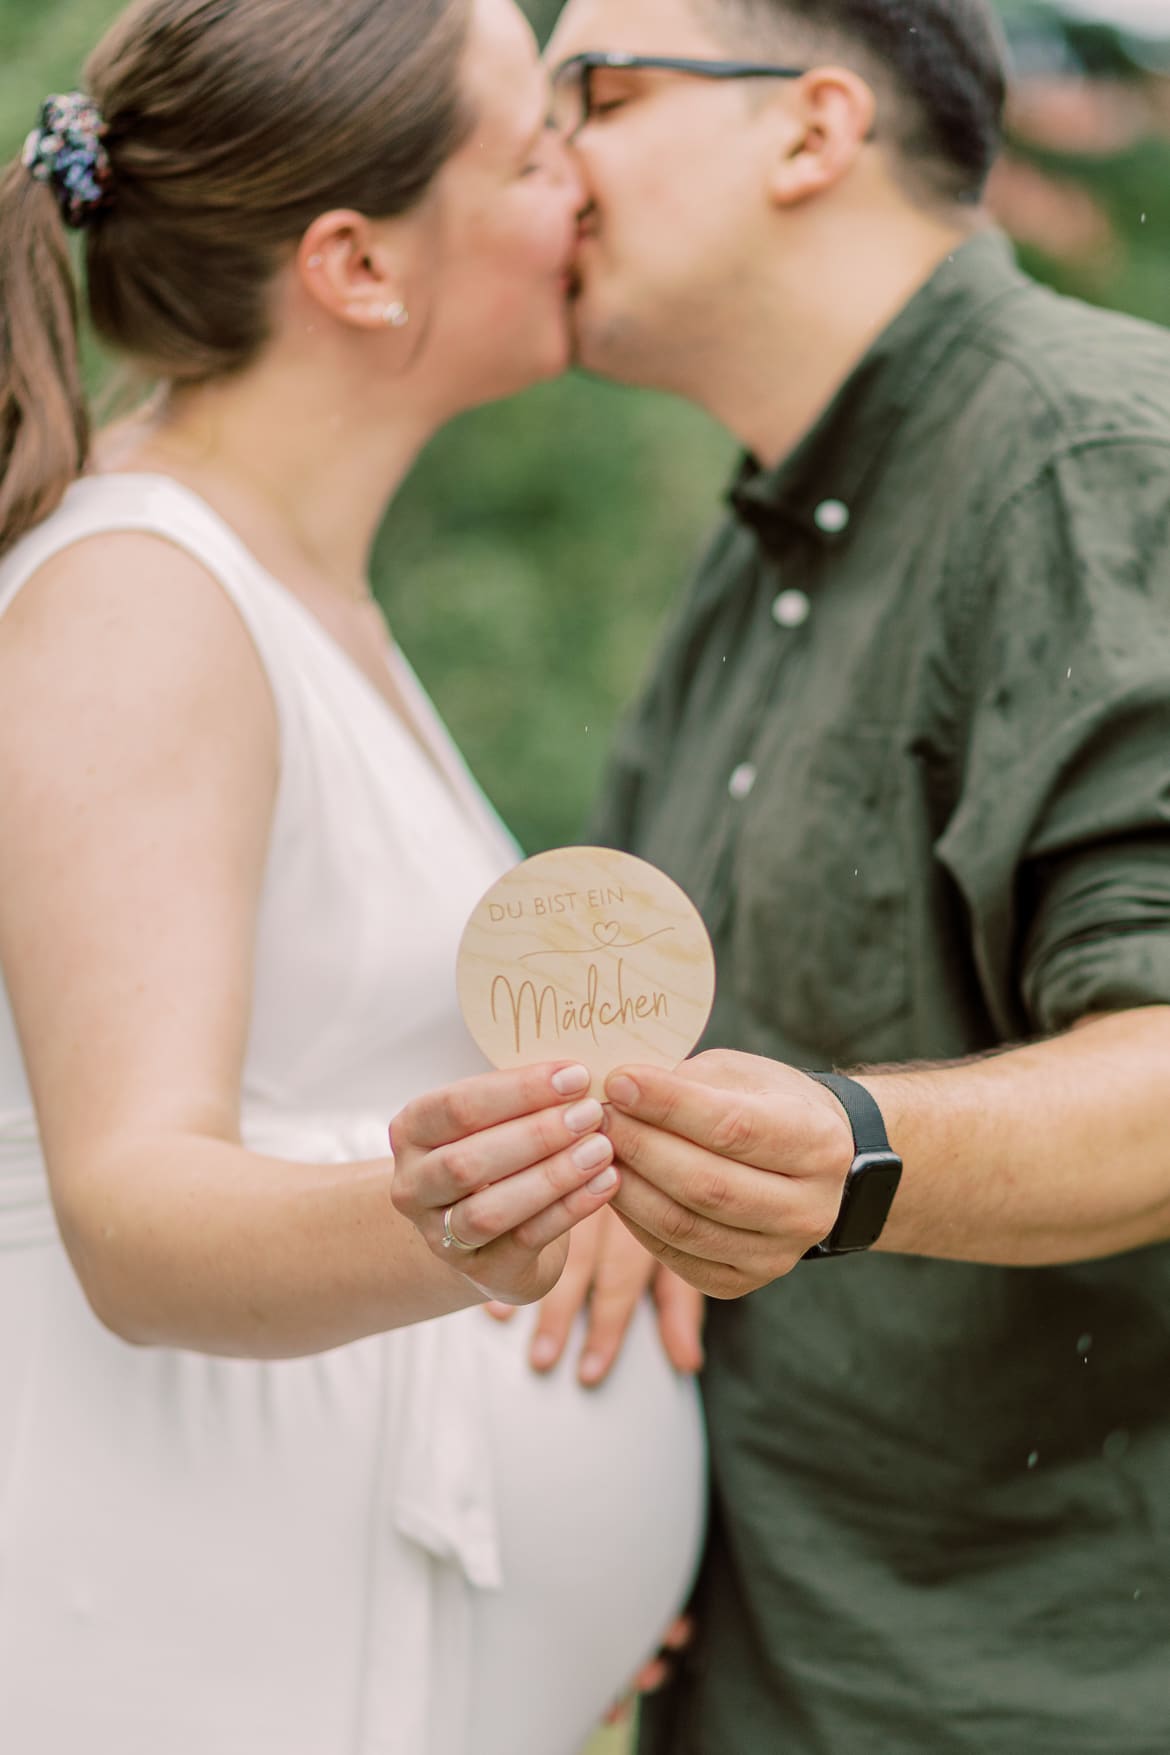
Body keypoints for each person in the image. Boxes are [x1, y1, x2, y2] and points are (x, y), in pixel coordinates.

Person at [399, 0, 1170, 1749]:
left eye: (590, 91)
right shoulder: (747, 553)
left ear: (810, 132)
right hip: (768, 1679)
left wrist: (849, 1152)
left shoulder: (1097, 465)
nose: (544, 157)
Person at [0, 1, 706, 1750]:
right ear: (357, 267)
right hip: (193, 1664)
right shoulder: (136, 602)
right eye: (536, 152)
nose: (585, 186)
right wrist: (482, 1219)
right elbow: (133, 1215)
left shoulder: (285, 591)